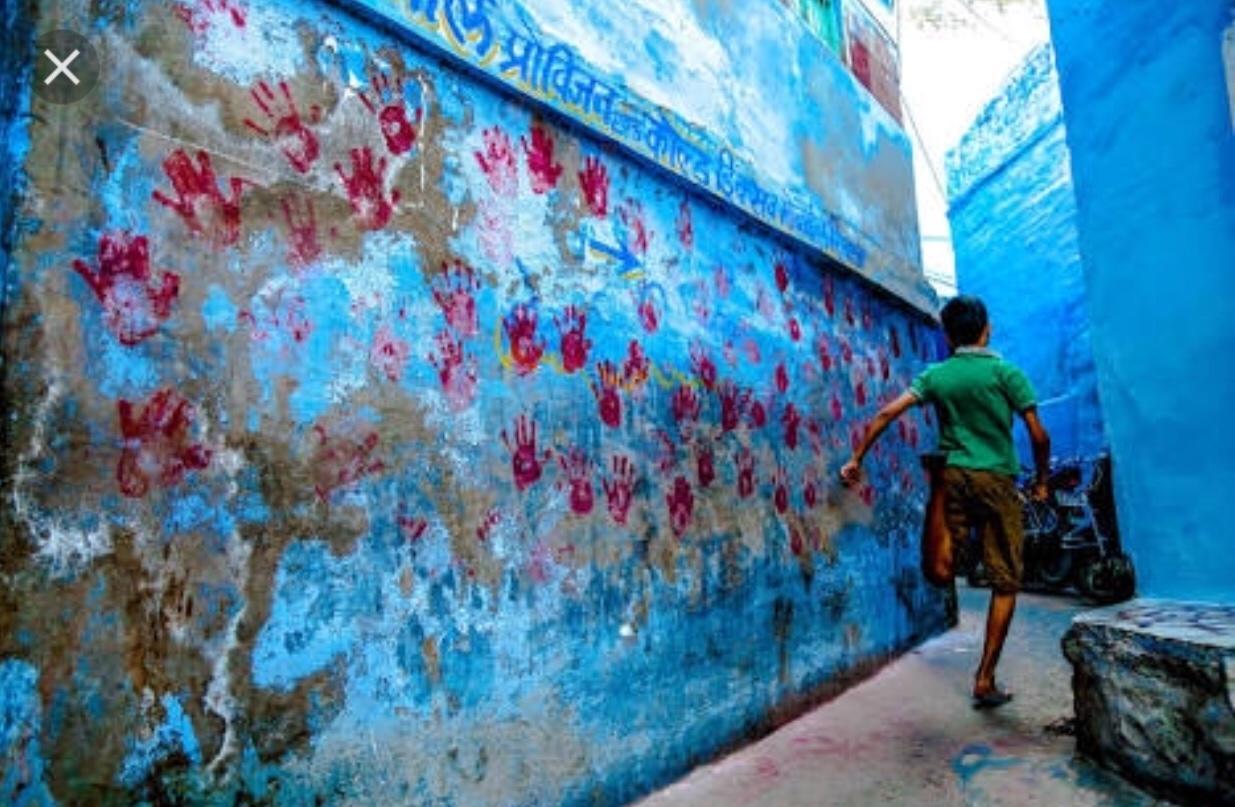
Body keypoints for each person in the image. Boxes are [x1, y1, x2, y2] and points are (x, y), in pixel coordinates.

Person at [840, 295, 1050, 709]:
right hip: (996, 478)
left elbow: (886, 412)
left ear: (948, 335)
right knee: (1006, 581)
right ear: (986, 328)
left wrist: (856, 458)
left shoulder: (937, 375)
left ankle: (937, 487)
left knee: (941, 570)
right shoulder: (1007, 373)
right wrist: (1042, 480)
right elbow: (1039, 436)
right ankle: (985, 678)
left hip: (954, 475)